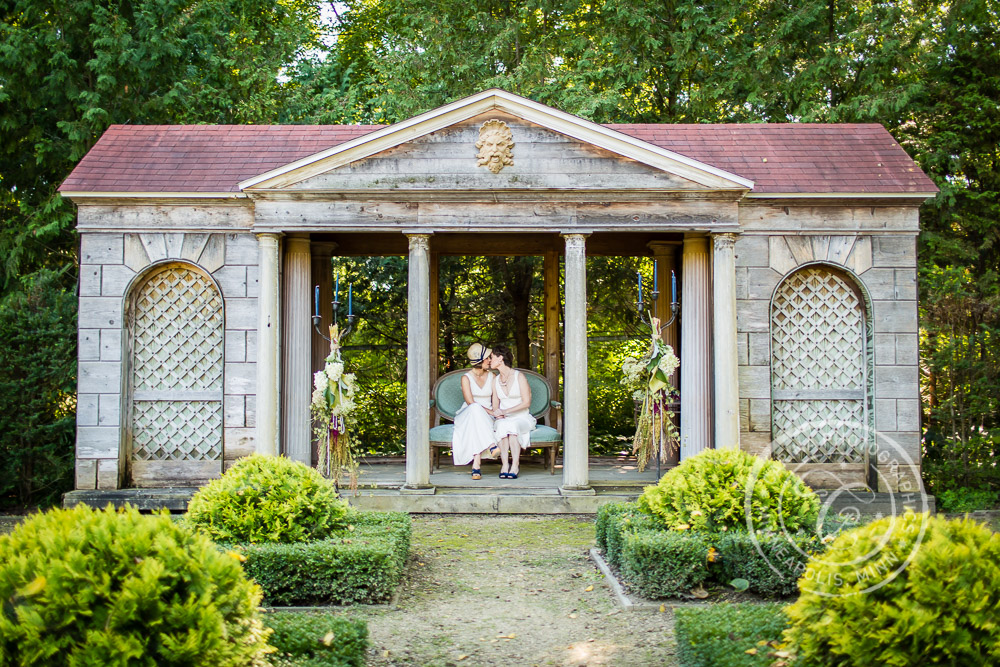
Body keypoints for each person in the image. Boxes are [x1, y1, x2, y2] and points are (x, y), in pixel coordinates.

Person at [452, 343, 499, 480]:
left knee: (475, 425)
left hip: (486, 416)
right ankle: (491, 445)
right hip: (467, 413)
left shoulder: (492, 376)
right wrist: (490, 412)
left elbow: (495, 399)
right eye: (487, 358)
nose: (490, 360)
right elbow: (470, 402)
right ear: (479, 361)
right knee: (475, 409)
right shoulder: (466, 378)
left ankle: (476, 466)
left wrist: (495, 412)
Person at [489, 344, 536, 479]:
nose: (490, 360)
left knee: (513, 426)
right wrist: (497, 413)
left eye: (492, 357)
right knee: (503, 425)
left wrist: (506, 411)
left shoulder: (519, 376)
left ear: (500, 358)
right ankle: (504, 465)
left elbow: (526, 402)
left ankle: (515, 465)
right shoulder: (495, 380)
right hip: (504, 418)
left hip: (522, 418)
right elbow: (495, 405)